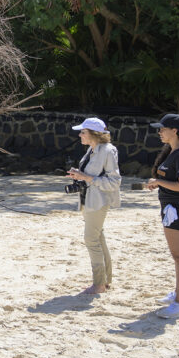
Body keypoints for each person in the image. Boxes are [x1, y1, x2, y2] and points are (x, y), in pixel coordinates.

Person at [145, 113, 179, 319]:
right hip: (171, 208)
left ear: (174, 131)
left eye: (162, 128)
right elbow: (172, 181)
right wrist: (157, 182)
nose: (159, 132)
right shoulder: (172, 152)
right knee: (177, 256)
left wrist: (158, 182)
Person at [66, 118, 121, 295]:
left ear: (93, 133)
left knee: (91, 239)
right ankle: (105, 281)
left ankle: (98, 285)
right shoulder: (93, 149)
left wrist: (86, 178)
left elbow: (115, 182)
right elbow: (91, 175)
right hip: (90, 199)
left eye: (83, 132)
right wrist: (79, 175)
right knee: (98, 238)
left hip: (98, 200)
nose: (80, 134)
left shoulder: (107, 150)